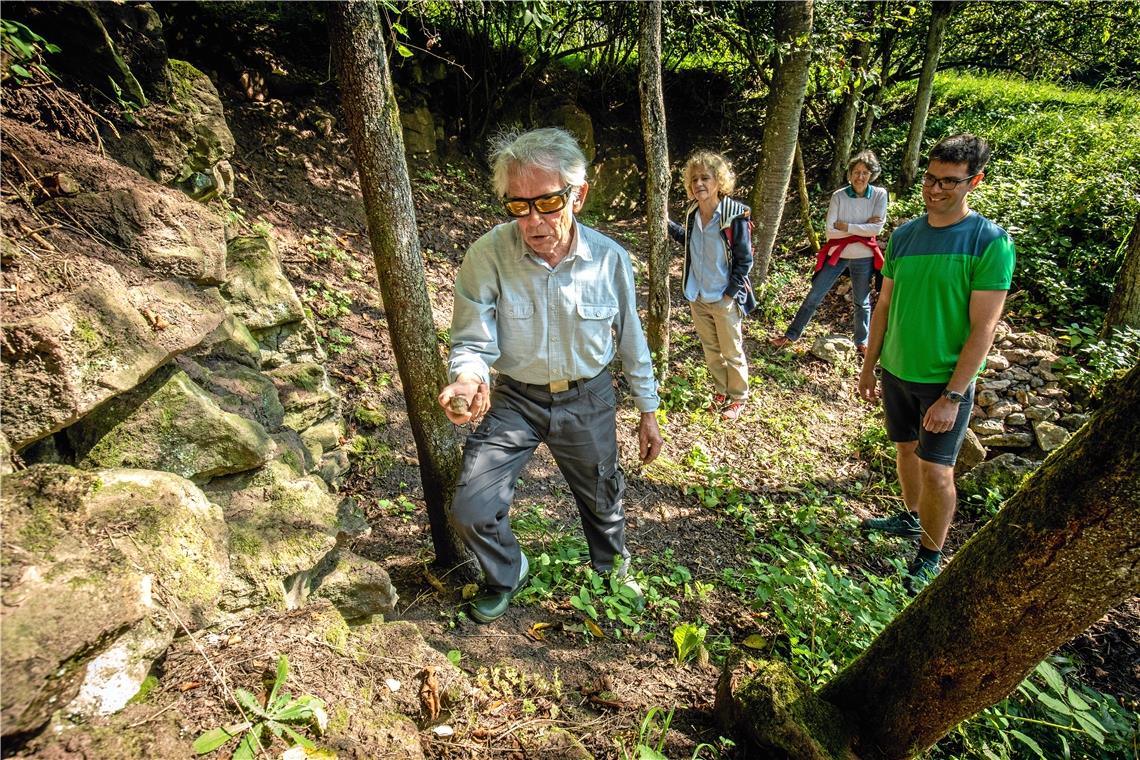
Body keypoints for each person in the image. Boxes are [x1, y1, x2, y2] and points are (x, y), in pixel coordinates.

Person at [437, 127, 664, 623]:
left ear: (577, 195)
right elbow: (472, 340)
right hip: (516, 398)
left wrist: (648, 410)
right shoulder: (487, 255)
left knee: (603, 495)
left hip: (589, 395)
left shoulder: (610, 258)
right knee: (471, 507)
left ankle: (611, 572)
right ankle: (507, 572)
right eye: (519, 206)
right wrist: (468, 380)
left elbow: (630, 339)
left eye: (548, 202)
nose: (534, 220)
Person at [857, 134, 1015, 593]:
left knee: (937, 468)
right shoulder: (905, 236)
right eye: (930, 178)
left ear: (974, 181)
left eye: (949, 181)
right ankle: (910, 518)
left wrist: (952, 395)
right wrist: (870, 365)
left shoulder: (989, 241)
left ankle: (930, 554)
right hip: (898, 370)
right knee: (905, 449)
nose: (935, 189)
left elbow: (983, 328)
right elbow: (883, 306)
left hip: (944, 381)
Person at [667, 150, 756, 421]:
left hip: (723, 296)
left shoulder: (735, 215)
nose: (699, 184)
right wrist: (666, 223)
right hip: (698, 294)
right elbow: (690, 242)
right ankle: (720, 390)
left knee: (732, 350)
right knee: (711, 349)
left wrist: (730, 294)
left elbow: (744, 260)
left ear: (719, 180)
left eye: (705, 177)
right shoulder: (693, 213)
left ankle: (739, 397)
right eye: (694, 179)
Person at [770, 150, 888, 354]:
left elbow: (876, 230)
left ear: (871, 175)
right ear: (849, 174)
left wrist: (847, 226)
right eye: (856, 172)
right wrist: (861, 228)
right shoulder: (839, 196)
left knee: (862, 301)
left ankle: (862, 341)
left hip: (864, 257)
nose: (860, 177)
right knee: (815, 295)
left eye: (865, 173)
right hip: (837, 254)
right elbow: (830, 233)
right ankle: (791, 336)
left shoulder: (879, 195)